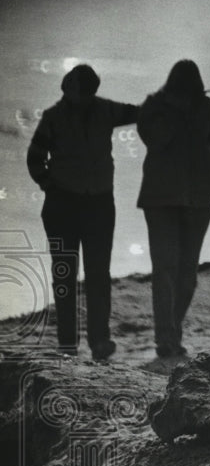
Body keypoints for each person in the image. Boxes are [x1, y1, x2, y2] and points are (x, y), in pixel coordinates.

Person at [26, 64, 139, 359]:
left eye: (90, 91)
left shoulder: (106, 110)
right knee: (65, 275)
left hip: (99, 204)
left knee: (98, 275)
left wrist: (163, 106)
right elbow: (34, 158)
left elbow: (138, 113)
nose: (87, 96)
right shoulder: (53, 117)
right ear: (68, 89)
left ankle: (99, 341)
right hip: (63, 204)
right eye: (82, 91)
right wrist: (50, 185)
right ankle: (68, 343)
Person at [137, 60, 210, 359]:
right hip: (160, 199)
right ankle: (165, 337)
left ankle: (172, 328)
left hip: (198, 199)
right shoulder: (153, 108)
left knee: (187, 273)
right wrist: (174, 112)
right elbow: (155, 140)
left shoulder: (209, 109)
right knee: (165, 269)